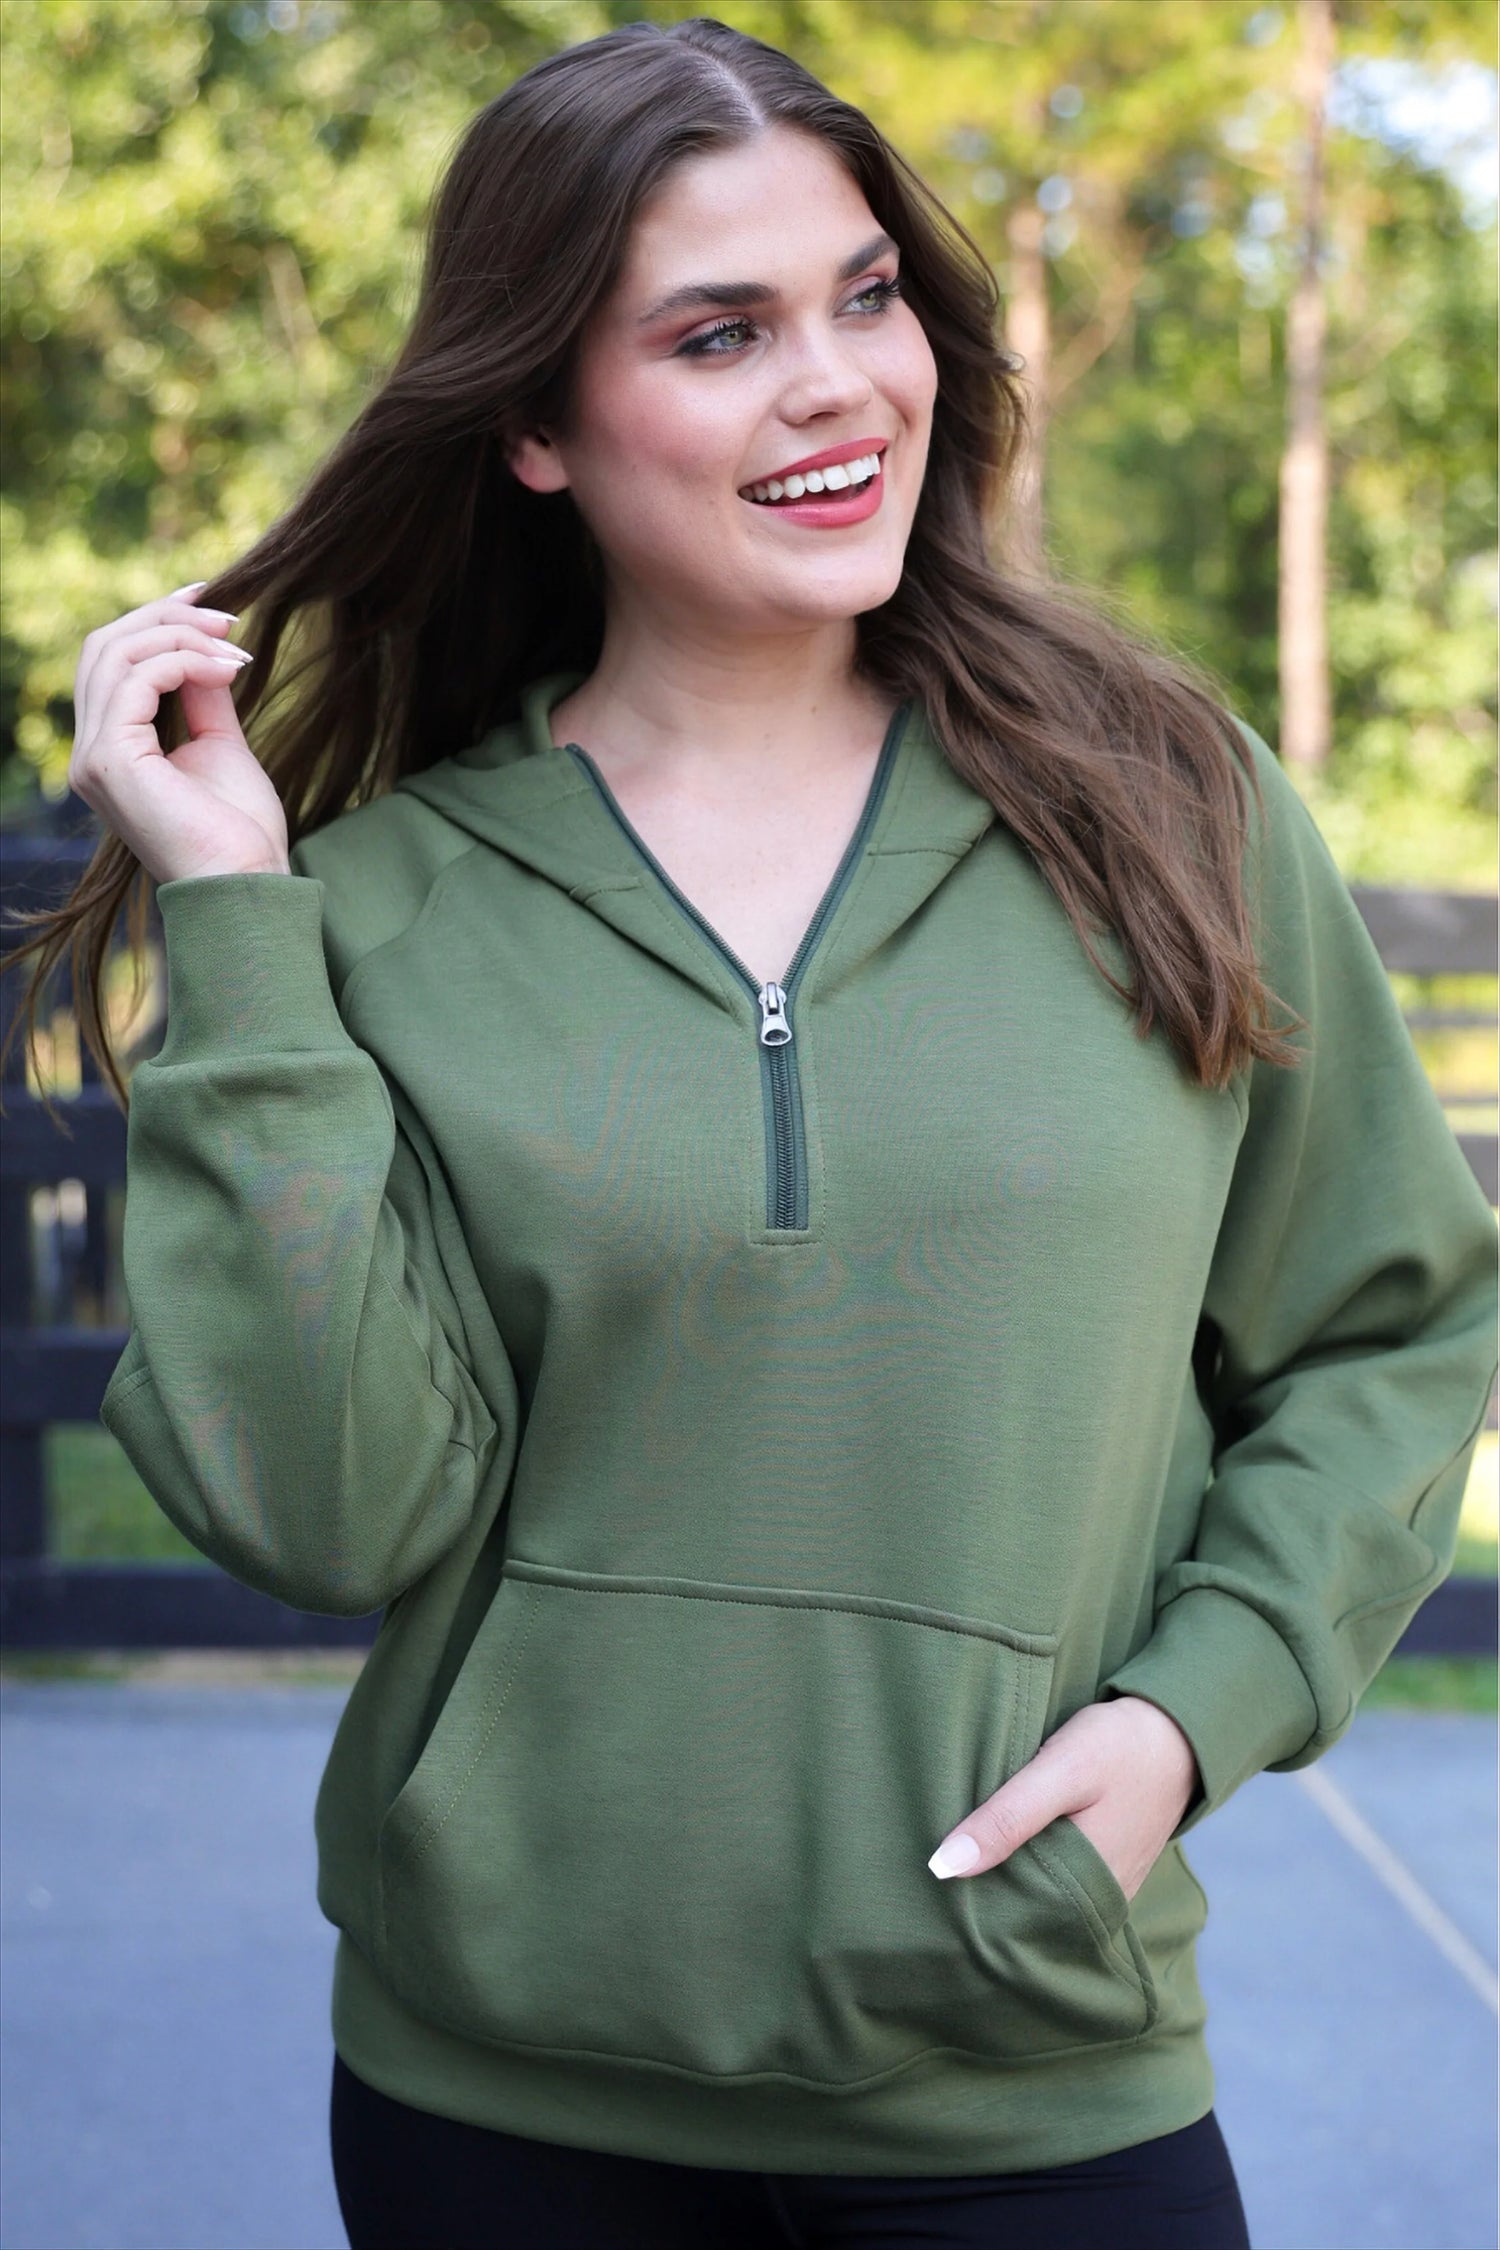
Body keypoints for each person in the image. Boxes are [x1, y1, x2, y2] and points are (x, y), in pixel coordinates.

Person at [11, 17, 1495, 2250]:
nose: (840, 386)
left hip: (1038, 2091)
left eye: (865, 298)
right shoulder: (385, 905)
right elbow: (320, 1508)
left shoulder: (1168, 809)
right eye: (721, 335)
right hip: (496, 2117)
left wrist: (1195, 1715)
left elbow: (1393, 1328)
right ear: (532, 424)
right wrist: (234, 915)